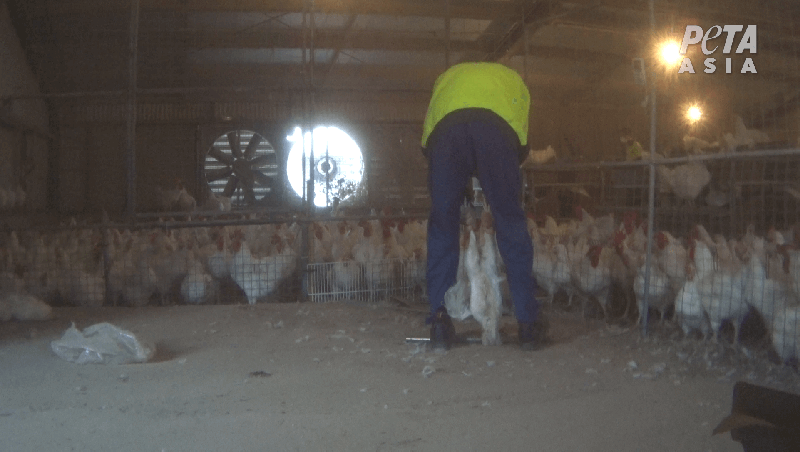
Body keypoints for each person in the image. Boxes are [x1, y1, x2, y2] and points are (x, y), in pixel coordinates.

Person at [421, 62, 547, 351]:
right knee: (510, 221)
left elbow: (428, 142)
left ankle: (440, 321)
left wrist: (455, 182)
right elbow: (521, 145)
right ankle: (528, 324)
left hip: (445, 133)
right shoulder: (513, 80)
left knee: (443, 224)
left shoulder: (445, 78)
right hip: (497, 131)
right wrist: (497, 182)